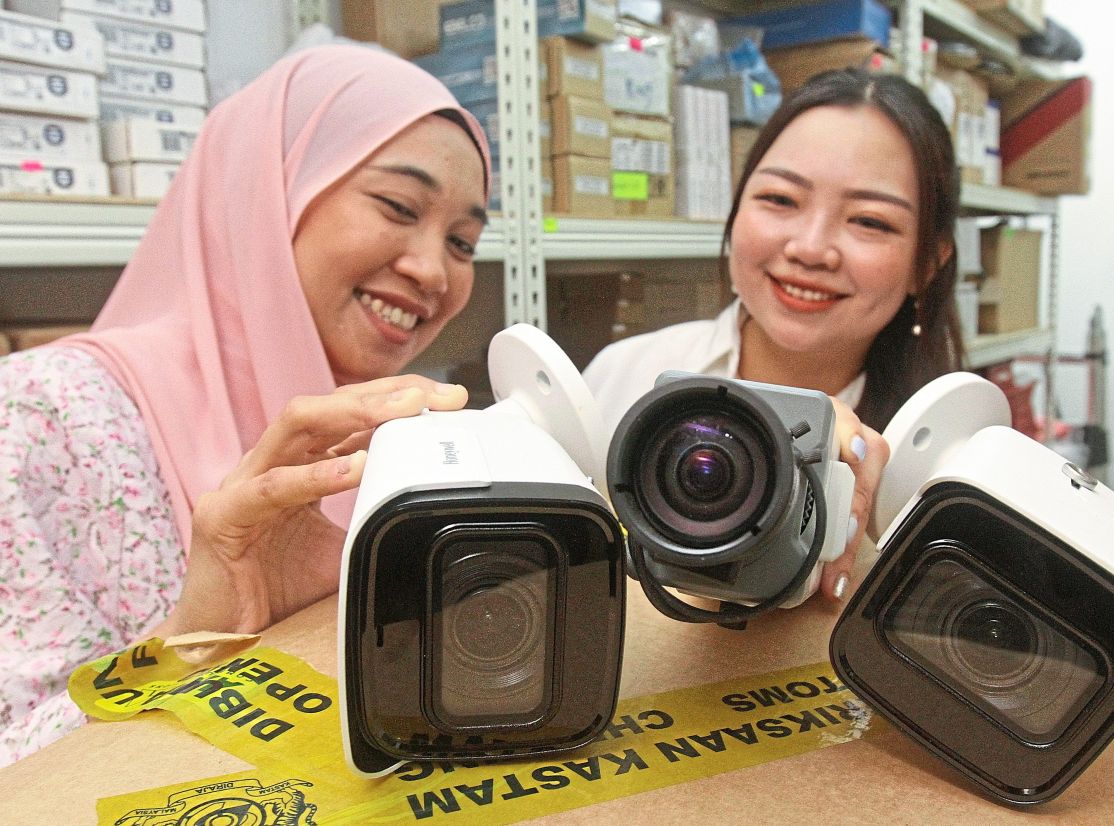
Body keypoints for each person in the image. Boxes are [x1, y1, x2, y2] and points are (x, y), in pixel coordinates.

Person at [0, 44, 491, 765]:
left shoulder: (400, 452)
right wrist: (193, 639)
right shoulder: (42, 417)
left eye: (463, 241)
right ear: (268, 191)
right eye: (397, 206)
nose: (430, 270)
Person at [585, 68, 964, 605]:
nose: (811, 248)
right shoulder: (622, 375)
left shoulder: (947, 471)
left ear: (929, 262)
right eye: (781, 200)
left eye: (871, 222)